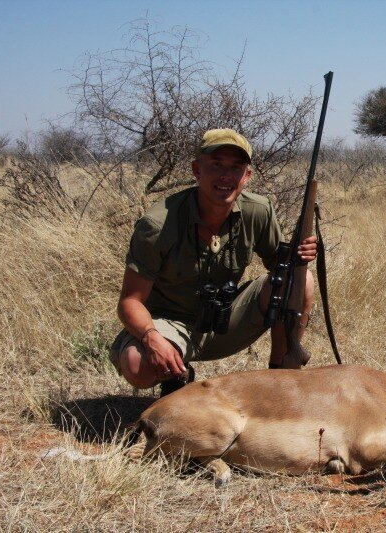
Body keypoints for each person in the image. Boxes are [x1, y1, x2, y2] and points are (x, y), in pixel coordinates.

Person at [109, 128, 316, 395]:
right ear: (197, 170)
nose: (226, 176)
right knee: (138, 366)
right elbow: (130, 301)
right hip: (169, 325)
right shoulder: (158, 224)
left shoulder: (258, 210)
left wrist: (301, 254)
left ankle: (279, 378)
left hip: (224, 320)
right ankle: (176, 374)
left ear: (247, 176)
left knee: (300, 281)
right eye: (216, 165)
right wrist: (151, 338)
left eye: (236, 167)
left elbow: (281, 268)